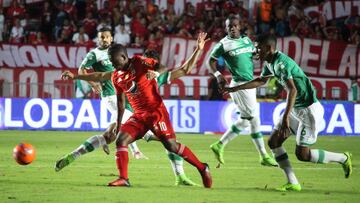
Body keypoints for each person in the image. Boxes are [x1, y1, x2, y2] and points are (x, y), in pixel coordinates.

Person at [61, 35, 212, 188]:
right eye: (111, 63)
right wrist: (76, 76)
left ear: (123, 56)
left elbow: (180, 69)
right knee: (120, 139)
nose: (113, 65)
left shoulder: (142, 64)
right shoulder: (117, 75)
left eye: (114, 62)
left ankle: (201, 168)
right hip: (138, 115)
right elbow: (107, 84)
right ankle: (124, 178)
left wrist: (197, 51)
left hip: (155, 113)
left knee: (171, 146)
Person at [224, 34, 353, 191]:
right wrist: (235, 88)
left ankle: (343, 158)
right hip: (297, 109)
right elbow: (261, 81)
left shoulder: (281, 64)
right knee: (274, 142)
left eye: (259, 47)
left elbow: (293, 90)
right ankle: (293, 182)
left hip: (308, 110)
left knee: (303, 155)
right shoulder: (270, 62)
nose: (256, 50)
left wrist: (285, 117)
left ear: (269, 48)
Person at [55, 28, 146, 173]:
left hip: (125, 95)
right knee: (135, 124)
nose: (103, 39)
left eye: (106, 37)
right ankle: (136, 151)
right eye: (101, 37)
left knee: (110, 135)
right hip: (110, 95)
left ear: (111, 38)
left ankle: (73, 155)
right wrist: (93, 84)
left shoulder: (116, 52)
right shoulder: (94, 54)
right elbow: (82, 70)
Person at [208, 15, 277, 167]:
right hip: (239, 85)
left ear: (240, 26)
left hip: (249, 84)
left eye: (234, 25)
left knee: (246, 121)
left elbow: (253, 54)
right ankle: (263, 156)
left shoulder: (246, 40)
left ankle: (219, 145)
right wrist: (218, 75)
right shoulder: (223, 44)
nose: (231, 28)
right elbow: (210, 61)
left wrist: (257, 54)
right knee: (254, 119)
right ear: (226, 28)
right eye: (228, 26)